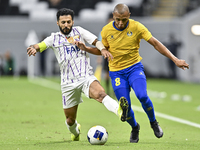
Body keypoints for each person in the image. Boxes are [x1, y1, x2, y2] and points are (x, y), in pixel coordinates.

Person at [27, 8, 124, 142]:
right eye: (63, 22)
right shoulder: (54, 38)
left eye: (68, 22)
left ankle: (120, 111)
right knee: (70, 119)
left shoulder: (80, 31)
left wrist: (102, 49)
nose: (66, 25)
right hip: (67, 83)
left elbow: (96, 41)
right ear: (58, 23)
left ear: (72, 21)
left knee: (101, 94)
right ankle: (75, 131)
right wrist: (34, 47)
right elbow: (41, 45)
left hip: (85, 77)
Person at [100, 4, 189, 143]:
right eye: (117, 19)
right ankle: (135, 128)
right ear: (113, 16)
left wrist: (175, 59)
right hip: (117, 73)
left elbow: (155, 43)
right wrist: (93, 49)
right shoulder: (106, 30)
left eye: (124, 19)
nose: (120, 23)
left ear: (129, 16)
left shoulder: (137, 27)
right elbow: (102, 48)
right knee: (125, 108)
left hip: (134, 68)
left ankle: (153, 122)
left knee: (142, 95)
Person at [97, 12, 114, 95]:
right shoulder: (103, 31)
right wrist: (99, 56)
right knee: (107, 74)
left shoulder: (117, 31)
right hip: (106, 56)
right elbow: (100, 44)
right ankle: (108, 90)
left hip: (115, 56)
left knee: (115, 74)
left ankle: (115, 90)